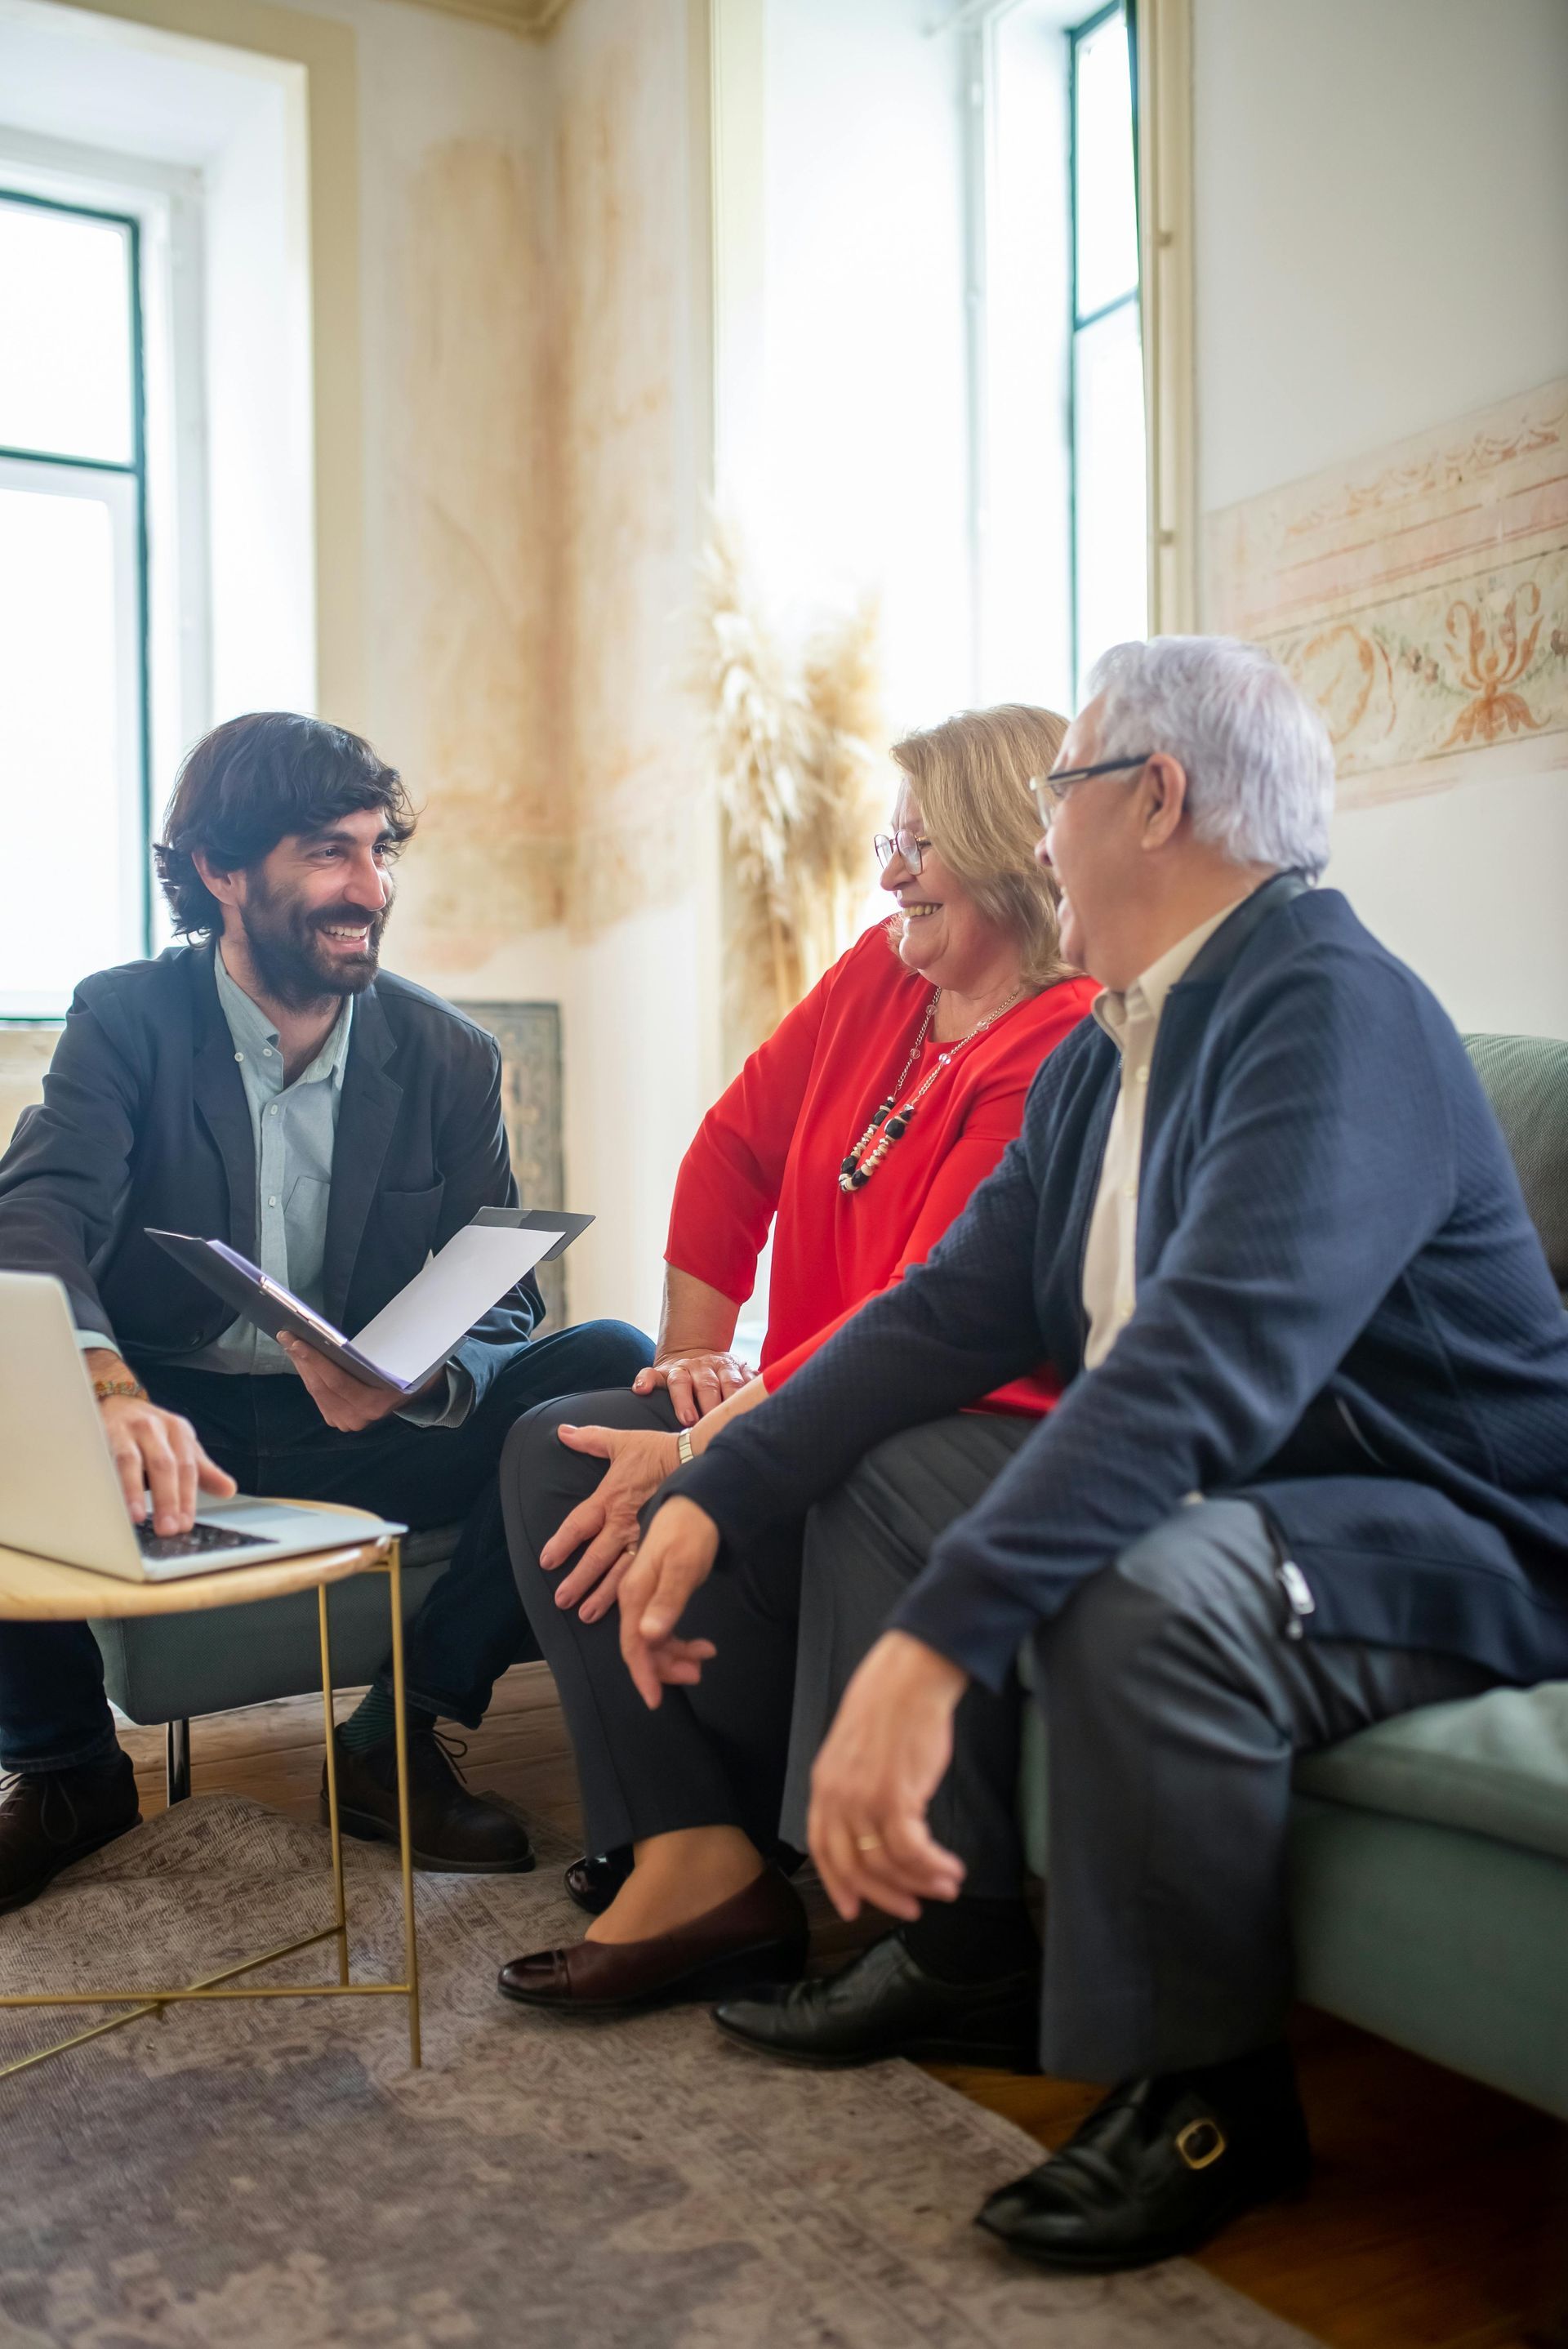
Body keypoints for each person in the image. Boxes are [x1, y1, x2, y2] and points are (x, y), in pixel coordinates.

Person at [592, 635, 1568, 2272]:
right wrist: (715, 1484)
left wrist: (934, 1642)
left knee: (1143, 1581)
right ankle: (954, 1947)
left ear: (1156, 799)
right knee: (900, 1461)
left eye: (1060, 792)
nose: (1037, 836)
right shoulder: (1114, 1045)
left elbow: (1203, 1364)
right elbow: (940, 1319)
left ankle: (1213, 2097)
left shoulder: (1329, 1009)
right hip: (1272, 1495)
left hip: (1462, 1529)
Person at [0, 711, 650, 1914]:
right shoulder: (127, 1022)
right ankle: (66, 1772)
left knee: (611, 1362)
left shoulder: (449, 1056)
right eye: (327, 852)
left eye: (378, 850)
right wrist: (105, 1388)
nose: (369, 886)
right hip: (171, 1425)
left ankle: (396, 1740)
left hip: (361, 1427)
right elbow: (35, 1215)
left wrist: (423, 1378)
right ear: (222, 871)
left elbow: (507, 1303)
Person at [497, 704, 1098, 1985]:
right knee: (558, 1448)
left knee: (634, 1473)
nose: (889, 875)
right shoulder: (884, 972)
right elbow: (735, 1147)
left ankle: (725, 1851)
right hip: (785, 1397)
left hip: (919, 1424)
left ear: (1004, 846)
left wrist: (712, 1445)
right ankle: (694, 1855)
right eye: (888, 843)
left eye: (916, 846)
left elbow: (923, 1321)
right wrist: (688, 1366)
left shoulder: (1060, 1044)